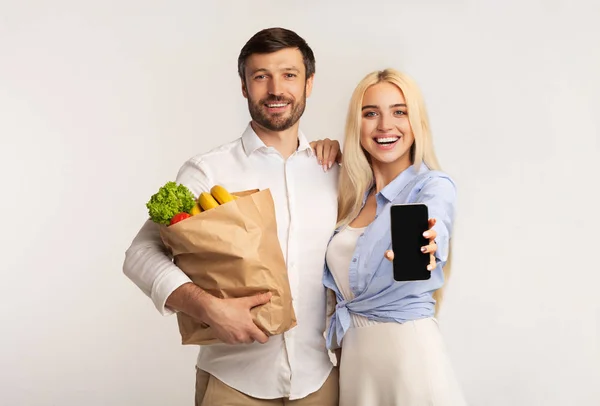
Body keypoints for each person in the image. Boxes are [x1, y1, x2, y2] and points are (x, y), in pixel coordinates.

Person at [123, 27, 347, 406]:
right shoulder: (208, 172)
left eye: (289, 75)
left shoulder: (336, 171)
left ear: (309, 83)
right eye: (261, 76)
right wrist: (209, 308)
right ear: (244, 86)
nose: (276, 89)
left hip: (321, 382)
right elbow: (141, 255)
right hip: (234, 385)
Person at [322, 68, 468, 405]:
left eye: (399, 112)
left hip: (410, 360)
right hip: (356, 364)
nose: (385, 125)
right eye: (371, 113)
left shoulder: (431, 186)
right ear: (356, 125)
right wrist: (322, 150)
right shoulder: (350, 196)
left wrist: (432, 241)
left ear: (416, 122)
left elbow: (436, 224)